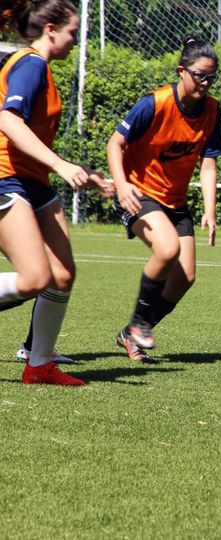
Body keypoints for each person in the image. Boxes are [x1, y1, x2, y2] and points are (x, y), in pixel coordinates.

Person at [0, 0, 110, 385]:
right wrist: (62, 166)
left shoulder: (41, 68)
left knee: (61, 275)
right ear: (50, 30)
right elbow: (8, 120)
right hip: (6, 179)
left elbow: (34, 138)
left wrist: (85, 174)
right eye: (72, 33)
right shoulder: (30, 64)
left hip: (35, 183)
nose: (75, 41)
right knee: (33, 278)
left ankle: (39, 364)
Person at [107, 35, 221, 363]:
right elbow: (114, 144)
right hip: (139, 193)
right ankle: (141, 324)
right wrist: (121, 185)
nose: (205, 83)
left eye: (211, 77)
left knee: (185, 277)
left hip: (175, 202)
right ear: (182, 71)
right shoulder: (154, 104)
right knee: (168, 249)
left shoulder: (212, 110)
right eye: (200, 75)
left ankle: (132, 331)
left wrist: (211, 212)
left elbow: (209, 164)